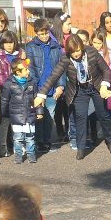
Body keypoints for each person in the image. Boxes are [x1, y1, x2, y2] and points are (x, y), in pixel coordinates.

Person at [39, 35, 111, 160]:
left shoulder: (92, 52)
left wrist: (104, 84)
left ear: (82, 47)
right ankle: (80, 148)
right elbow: (54, 76)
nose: (76, 54)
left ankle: (110, 141)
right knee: (81, 117)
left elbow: (106, 70)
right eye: (73, 52)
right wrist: (42, 94)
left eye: (78, 50)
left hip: (96, 86)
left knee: (103, 115)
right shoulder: (65, 58)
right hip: (80, 90)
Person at [26, 18, 63, 150]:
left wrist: (61, 85)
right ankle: (38, 141)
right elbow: (31, 69)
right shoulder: (30, 47)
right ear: (36, 33)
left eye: (46, 32)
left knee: (49, 117)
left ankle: (46, 140)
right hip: (38, 88)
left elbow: (61, 68)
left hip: (52, 89)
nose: (44, 36)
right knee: (38, 116)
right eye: (41, 33)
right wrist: (36, 90)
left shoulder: (55, 46)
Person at [1, 58, 45, 164]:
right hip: (17, 116)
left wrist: (39, 111)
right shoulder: (9, 84)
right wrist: (5, 113)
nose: (28, 71)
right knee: (18, 138)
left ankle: (31, 155)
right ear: (18, 72)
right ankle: (18, 155)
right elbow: (5, 100)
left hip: (30, 114)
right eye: (25, 69)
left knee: (30, 137)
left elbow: (36, 98)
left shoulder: (31, 82)